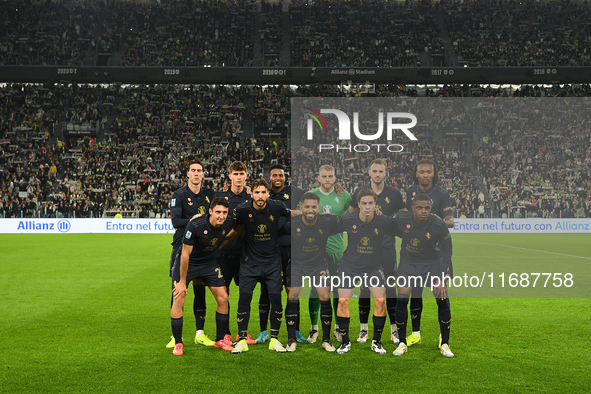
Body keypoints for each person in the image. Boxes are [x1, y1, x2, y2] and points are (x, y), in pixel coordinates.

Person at [221, 179, 300, 353]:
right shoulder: (242, 210)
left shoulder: (277, 206)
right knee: (244, 299)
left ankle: (274, 339)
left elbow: (292, 213)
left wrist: (312, 214)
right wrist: (217, 243)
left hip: (272, 263)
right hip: (249, 263)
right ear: (251, 194)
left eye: (263, 192)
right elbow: (231, 228)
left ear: (268, 194)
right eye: (257, 192)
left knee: (275, 299)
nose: (260, 196)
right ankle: (241, 339)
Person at [348, 159, 405, 344]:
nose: (378, 174)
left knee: (390, 288)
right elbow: (349, 215)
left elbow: (403, 214)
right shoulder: (360, 192)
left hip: (387, 247)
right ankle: (364, 329)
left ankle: (394, 330)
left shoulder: (394, 194)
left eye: (381, 171)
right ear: (369, 172)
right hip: (366, 248)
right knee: (365, 287)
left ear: (385, 173)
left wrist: (388, 218)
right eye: (375, 171)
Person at [336, 188, 399, 355]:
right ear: (358, 204)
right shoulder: (348, 219)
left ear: (375, 204)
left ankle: (376, 342)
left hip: (373, 268)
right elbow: (327, 228)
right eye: (364, 203)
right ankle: (345, 341)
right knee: (342, 302)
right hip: (349, 267)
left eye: (371, 203)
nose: (367, 206)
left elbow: (405, 231)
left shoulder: (384, 221)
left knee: (380, 301)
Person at [392, 194, 454, 358]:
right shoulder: (401, 218)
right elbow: (385, 224)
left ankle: (445, 343)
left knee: (442, 298)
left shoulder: (438, 224)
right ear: (413, 208)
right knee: (402, 299)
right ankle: (402, 342)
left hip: (432, 263)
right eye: (419, 208)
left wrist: (441, 277)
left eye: (427, 208)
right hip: (408, 263)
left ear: (430, 209)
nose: (423, 211)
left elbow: (448, 250)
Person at [170, 197, 234, 356]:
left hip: (209, 263)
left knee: (223, 297)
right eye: (218, 212)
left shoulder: (228, 222)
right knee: (179, 296)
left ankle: (220, 339)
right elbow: (185, 254)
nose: (221, 216)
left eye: (225, 212)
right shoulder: (196, 225)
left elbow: (235, 231)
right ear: (210, 211)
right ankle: (178, 343)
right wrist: (182, 282)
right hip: (188, 262)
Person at [166, 159, 216, 349]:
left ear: (203, 174)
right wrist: (196, 220)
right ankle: (175, 335)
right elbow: (176, 221)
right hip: (181, 247)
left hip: (203, 248)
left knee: (200, 289)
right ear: (187, 173)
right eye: (193, 170)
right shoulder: (178, 195)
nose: (196, 173)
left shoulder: (210, 194)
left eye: (199, 170)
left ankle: (200, 333)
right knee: (178, 290)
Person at [404, 159, 454, 347]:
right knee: (415, 294)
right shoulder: (411, 191)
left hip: (437, 253)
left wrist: (434, 219)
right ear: (417, 174)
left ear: (433, 174)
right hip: (416, 253)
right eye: (422, 172)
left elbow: (450, 221)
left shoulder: (442, 194)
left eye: (428, 172)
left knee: (440, 295)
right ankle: (415, 334)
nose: (425, 175)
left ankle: (444, 338)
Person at [255, 164, 305, 345]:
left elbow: (315, 195)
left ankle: (296, 330)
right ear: (269, 178)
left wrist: (336, 188)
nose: (278, 177)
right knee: (267, 291)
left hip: (292, 249)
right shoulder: (264, 195)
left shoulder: (294, 192)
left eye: (281, 175)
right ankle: (263, 331)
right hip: (270, 250)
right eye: (274, 175)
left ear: (285, 177)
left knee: (293, 290)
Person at [304, 164, 351, 344]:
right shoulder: (311, 196)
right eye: (324, 176)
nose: (327, 179)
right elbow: (302, 214)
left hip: (338, 250)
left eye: (330, 176)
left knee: (338, 290)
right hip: (317, 251)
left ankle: (338, 327)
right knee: (316, 290)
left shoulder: (344, 195)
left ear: (335, 178)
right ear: (318, 177)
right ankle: (314, 328)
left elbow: (353, 214)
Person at [288, 192, 341, 352]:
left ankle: (326, 339)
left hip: (318, 265)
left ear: (319, 208)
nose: (310, 210)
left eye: (313, 207)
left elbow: (349, 220)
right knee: (293, 296)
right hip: (297, 265)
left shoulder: (327, 220)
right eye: (307, 206)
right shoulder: (292, 223)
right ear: (301, 208)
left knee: (325, 297)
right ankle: (291, 339)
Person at [214, 161, 256, 344]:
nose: (239, 177)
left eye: (242, 173)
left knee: (245, 293)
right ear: (229, 176)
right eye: (235, 173)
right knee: (223, 294)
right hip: (223, 253)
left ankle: (243, 332)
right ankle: (225, 333)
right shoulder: (221, 196)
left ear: (246, 176)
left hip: (245, 253)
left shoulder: (251, 196)